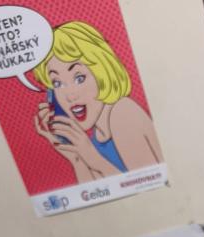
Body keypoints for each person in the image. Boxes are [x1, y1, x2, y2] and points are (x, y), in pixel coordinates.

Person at [32, 21, 163, 182]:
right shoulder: (97, 136)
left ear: (102, 72)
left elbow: (148, 183)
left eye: (79, 78)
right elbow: (97, 192)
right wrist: (76, 157)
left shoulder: (122, 112)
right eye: (57, 83)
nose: (70, 96)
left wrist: (93, 158)